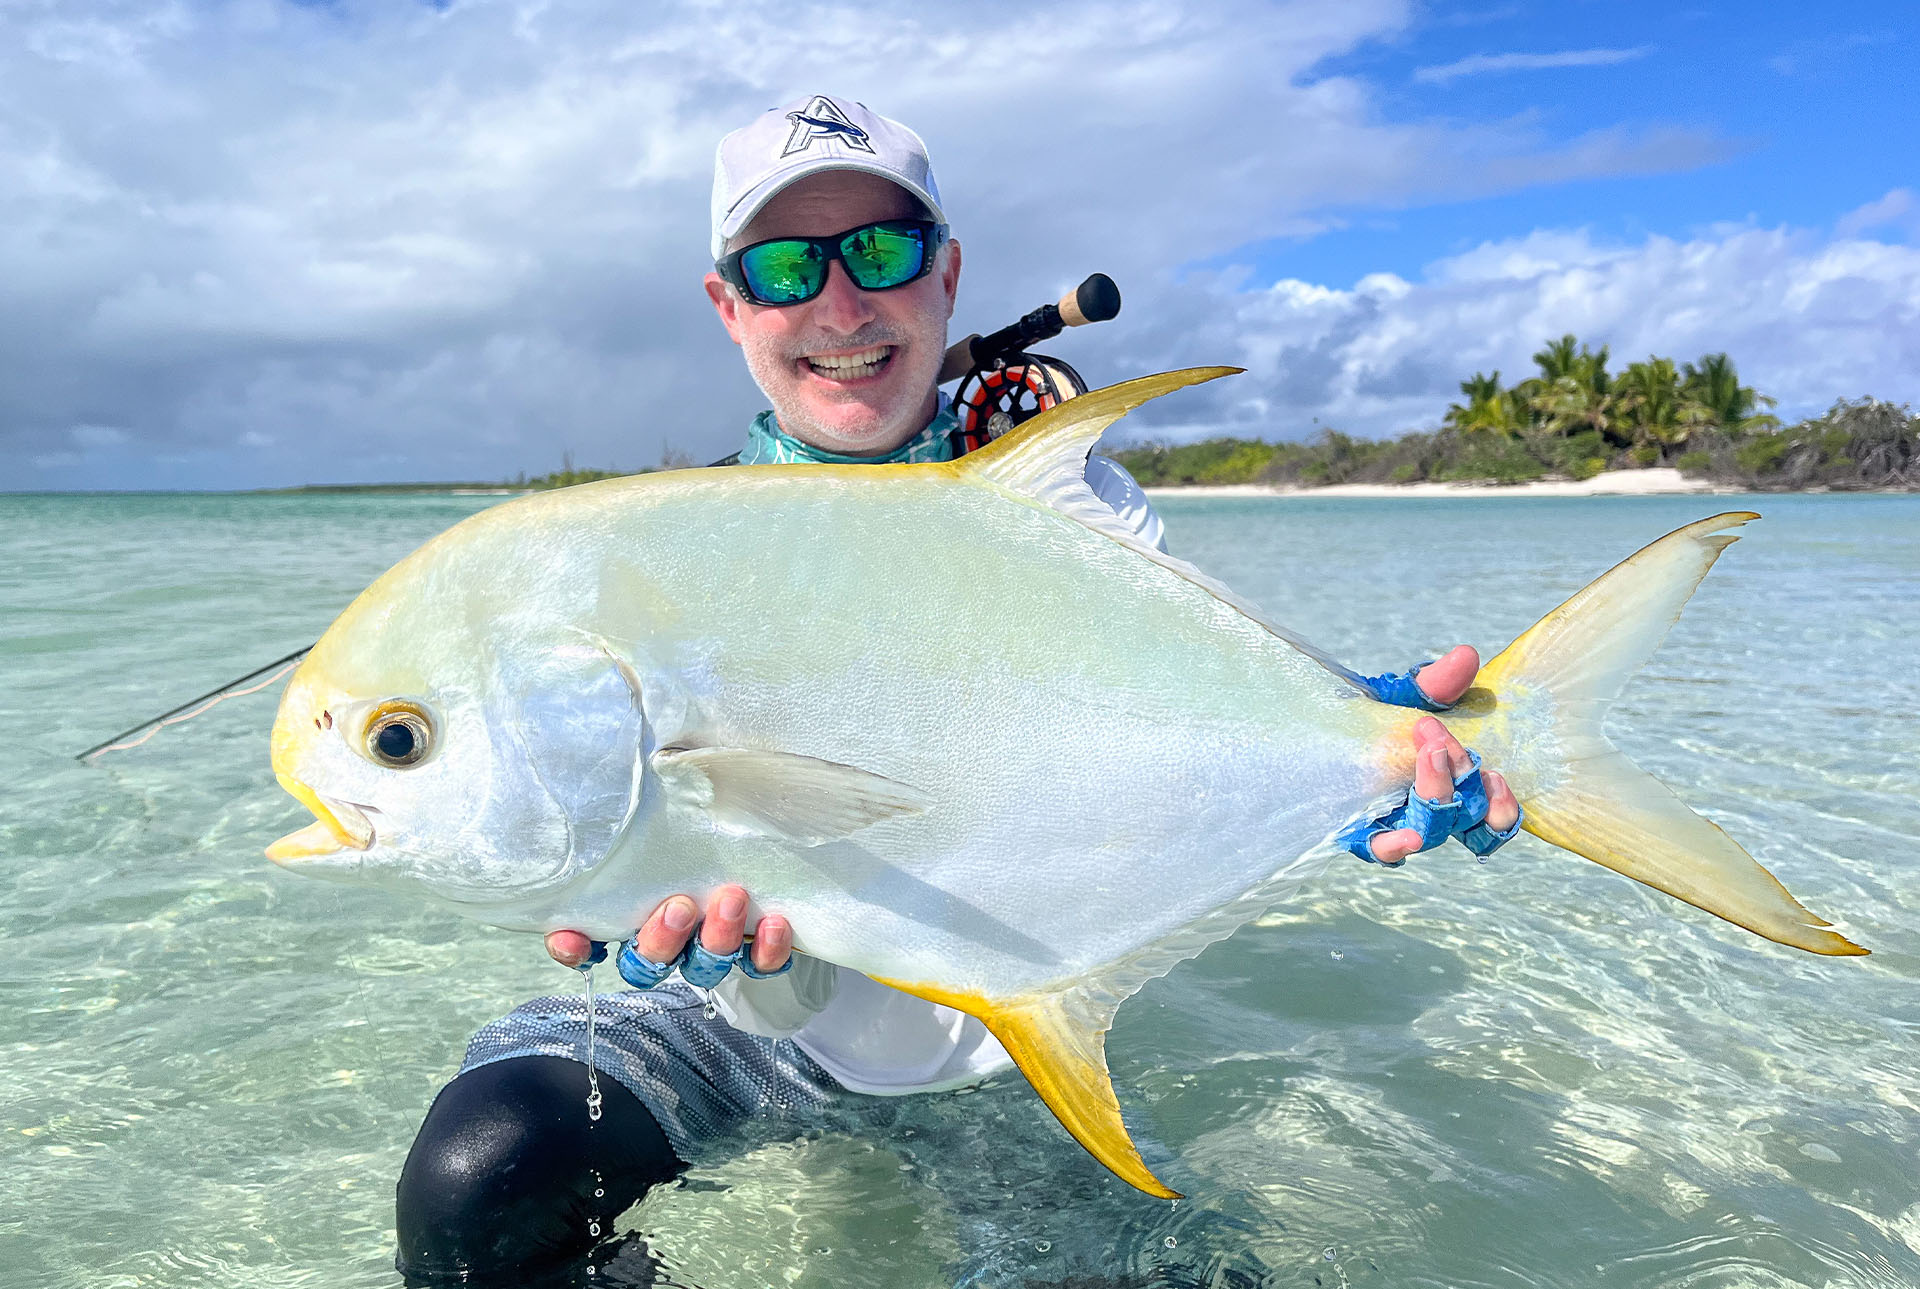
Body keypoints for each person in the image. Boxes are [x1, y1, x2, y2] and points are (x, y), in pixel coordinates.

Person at [393, 94, 1521, 1284]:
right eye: (785, 266)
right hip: (728, 1032)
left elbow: (1181, 732)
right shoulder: (659, 553)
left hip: (1008, 1033)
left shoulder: (1077, 507)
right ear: (731, 307)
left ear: (947, 274)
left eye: (880, 251)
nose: (839, 303)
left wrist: (1362, 752)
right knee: (480, 1179)